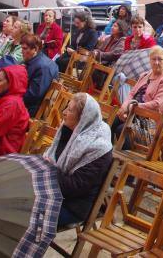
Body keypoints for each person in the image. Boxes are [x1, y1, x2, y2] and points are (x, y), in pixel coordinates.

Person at [45, 92, 113, 227]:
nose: (63, 112)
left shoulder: (98, 148)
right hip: (53, 192)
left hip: (71, 206)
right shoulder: (69, 129)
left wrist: (47, 169)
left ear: (83, 118)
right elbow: (51, 159)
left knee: (26, 213)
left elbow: (75, 186)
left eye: (69, 110)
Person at [111, 46, 163, 141]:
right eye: (153, 59)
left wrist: (134, 107)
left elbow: (157, 104)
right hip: (133, 112)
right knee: (112, 121)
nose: (156, 62)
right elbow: (132, 93)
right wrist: (124, 106)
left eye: (160, 59)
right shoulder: (145, 75)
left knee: (122, 130)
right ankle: (107, 150)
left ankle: (124, 151)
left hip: (148, 120)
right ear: (149, 60)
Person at [20, 34, 59, 117]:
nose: (21, 51)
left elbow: (33, 95)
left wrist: (12, 95)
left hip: (31, 109)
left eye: (25, 48)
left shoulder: (42, 67)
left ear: (35, 49)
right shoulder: (35, 60)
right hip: (28, 102)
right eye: (21, 48)